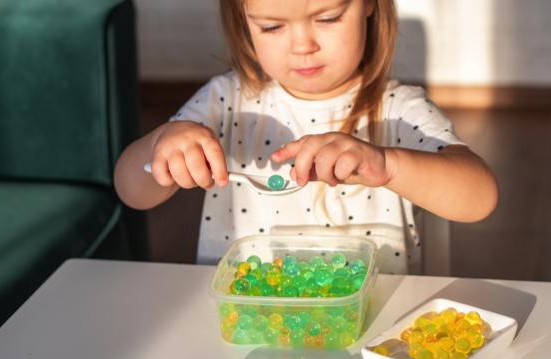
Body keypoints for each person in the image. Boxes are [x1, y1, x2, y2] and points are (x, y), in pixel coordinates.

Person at [114, 0, 499, 273]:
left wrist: (388, 165)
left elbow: (479, 198)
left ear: (368, 3)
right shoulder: (225, 100)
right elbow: (131, 191)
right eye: (271, 26)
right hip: (248, 319)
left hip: (373, 320)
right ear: (242, 20)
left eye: (328, 17)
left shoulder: (399, 108)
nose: (302, 46)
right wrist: (162, 146)